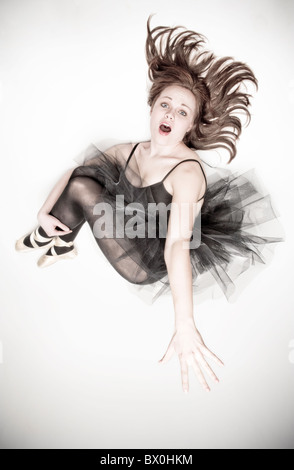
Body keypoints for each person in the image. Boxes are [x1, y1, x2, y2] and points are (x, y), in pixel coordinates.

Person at [15, 17, 284, 393]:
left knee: (81, 188)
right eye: (165, 104)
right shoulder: (130, 151)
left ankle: (57, 239)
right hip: (130, 224)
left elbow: (177, 245)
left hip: (148, 259)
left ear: (190, 126)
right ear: (152, 106)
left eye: (182, 112)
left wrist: (184, 322)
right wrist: (43, 210)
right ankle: (57, 236)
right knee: (83, 177)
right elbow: (78, 169)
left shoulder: (187, 173)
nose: (170, 115)